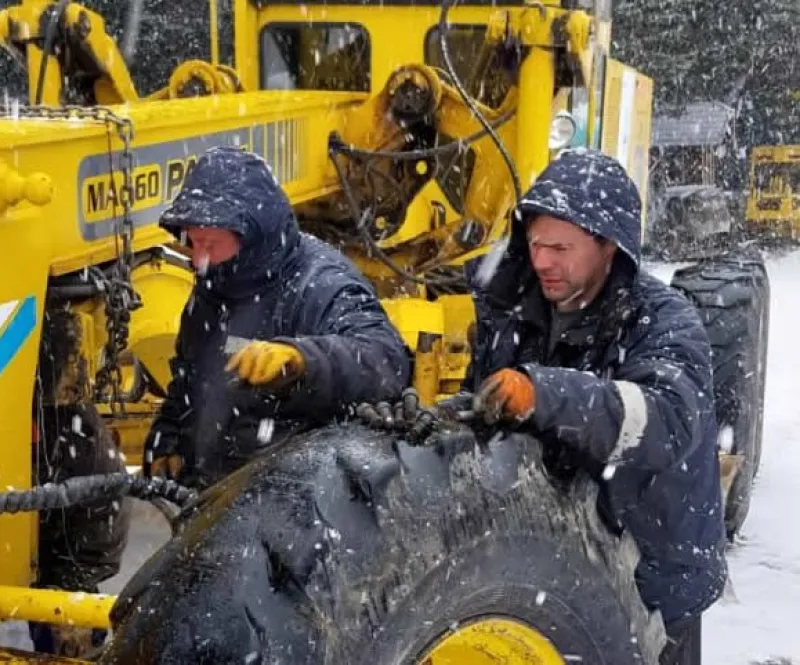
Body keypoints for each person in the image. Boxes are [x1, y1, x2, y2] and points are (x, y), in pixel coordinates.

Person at [363, 149, 725, 665]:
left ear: (608, 247)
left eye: (561, 247)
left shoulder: (662, 322)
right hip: (565, 561)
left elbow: (664, 422)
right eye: (535, 244)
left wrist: (545, 395)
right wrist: (441, 418)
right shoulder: (514, 308)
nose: (542, 262)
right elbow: (494, 403)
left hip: (655, 566)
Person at [144, 146, 411, 487]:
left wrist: (302, 360)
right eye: (193, 244)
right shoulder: (216, 286)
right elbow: (189, 378)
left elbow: (385, 359)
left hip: (300, 506)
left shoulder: (322, 283)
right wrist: (168, 439)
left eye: (210, 244)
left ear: (251, 234)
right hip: (217, 500)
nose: (198, 260)